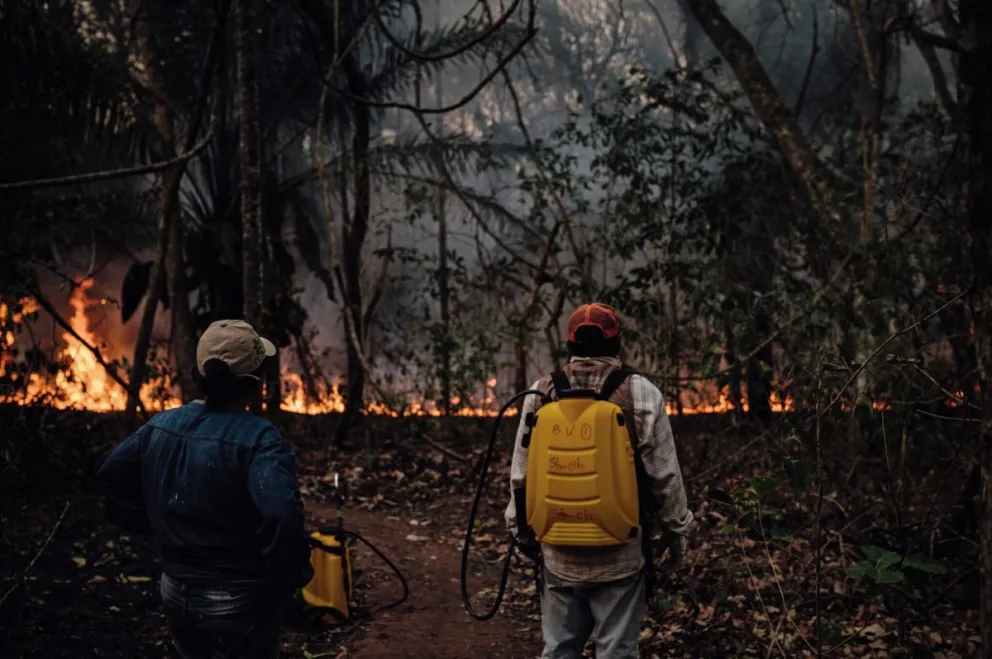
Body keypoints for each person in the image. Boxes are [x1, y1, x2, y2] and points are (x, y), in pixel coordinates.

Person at [96, 319, 313, 658]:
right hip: (237, 598)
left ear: (199, 376)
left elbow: (110, 475)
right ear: (255, 383)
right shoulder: (260, 438)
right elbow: (282, 517)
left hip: (174, 590)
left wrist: (150, 522)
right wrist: (285, 577)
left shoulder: (161, 425)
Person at [505, 303, 694, 659]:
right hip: (620, 555)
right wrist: (676, 532)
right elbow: (666, 477)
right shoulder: (640, 393)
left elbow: (522, 473)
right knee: (617, 652)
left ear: (570, 344)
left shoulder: (541, 391)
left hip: (558, 554)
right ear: (616, 341)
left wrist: (520, 531)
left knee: (559, 648)